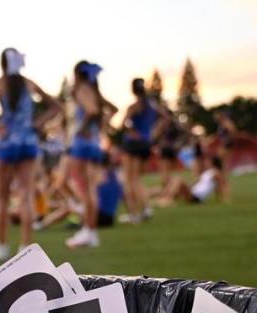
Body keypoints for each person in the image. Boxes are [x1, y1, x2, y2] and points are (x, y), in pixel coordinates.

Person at [0, 48, 61, 260]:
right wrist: (39, 122)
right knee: (26, 195)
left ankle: (2, 247)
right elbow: (56, 106)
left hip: (6, 145)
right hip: (28, 143)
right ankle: (26, 248)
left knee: (2, 198)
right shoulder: (28, 83)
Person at [65, 60, 117, 249]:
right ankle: (90, 231)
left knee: (82, 185)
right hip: (94, 143)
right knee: (90, 188)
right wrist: (100, 128)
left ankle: (87, 228)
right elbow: (110, 110)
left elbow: (92, 111)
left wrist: (82, 129)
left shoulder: (81, 89)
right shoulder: (94, 91)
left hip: (83, 143)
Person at [119, 78, 162, 223]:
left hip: (132, 144)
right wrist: (153, 134)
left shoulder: (134, 106)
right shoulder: (152, 105)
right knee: (136, 179)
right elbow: (165, 118)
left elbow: (123, 123)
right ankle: (146, 208)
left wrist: (130, 130)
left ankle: (133, 214)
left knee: (128, 180)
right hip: (145, 143)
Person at [156, 156, 221, 205]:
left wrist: (224, 198)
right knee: (175, 180)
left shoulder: (215, 172)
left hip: (196, 197)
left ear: (213, 163)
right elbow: (196, 182)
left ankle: (168, 199)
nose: (206, 162)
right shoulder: (207, 172)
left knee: (178, 179)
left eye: (208, 161)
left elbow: (221, 185)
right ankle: (163, 197)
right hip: (192, 193)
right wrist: (187, 186)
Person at [213, 110, 236, 203]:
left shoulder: (227, 123)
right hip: (223, 148)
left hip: (226, 148)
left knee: (222, 172)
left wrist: (226, 144)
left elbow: (233, 133)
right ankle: (221, 193)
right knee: (219, 171)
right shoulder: (222, 125)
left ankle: (225, 195)